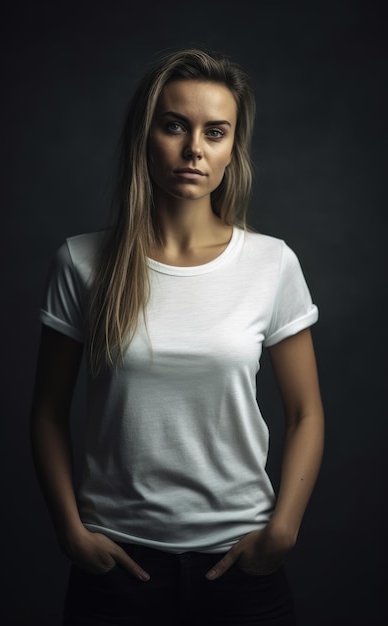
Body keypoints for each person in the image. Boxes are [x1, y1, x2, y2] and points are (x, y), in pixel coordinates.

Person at [30, 48, 325, 626]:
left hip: (241, 565)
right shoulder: (81, 261)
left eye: (215, 132)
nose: (194, 148)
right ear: (146, 138)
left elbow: (306, 412)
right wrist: (70, 530)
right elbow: (47, 411)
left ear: (231, 150)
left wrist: (283, 529)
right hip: (116, 567)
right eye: (174, 126)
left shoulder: (271, 263)